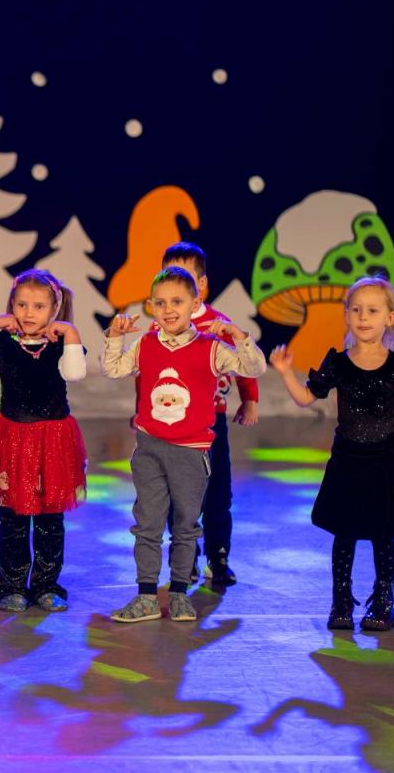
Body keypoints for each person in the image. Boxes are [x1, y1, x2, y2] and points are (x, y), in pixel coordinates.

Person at [270, 276, 394, 630]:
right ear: (346, 316)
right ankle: (341, 601)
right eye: (356, 310)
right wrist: (284, 373)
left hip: (384, 464)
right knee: (344, 535)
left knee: (382, 536)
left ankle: (383, 603)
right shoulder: (339, 363)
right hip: (347, 462)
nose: (363, 317)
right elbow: (306, 398)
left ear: (390, 317)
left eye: (372, 310)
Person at [102, 267, 266, 623]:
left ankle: (179, 592)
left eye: (177, 301)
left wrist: (238, 336)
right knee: (147, 524)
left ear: (195, 303)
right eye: (160, 303)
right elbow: (113, 369)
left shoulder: (211, 348)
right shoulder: (146, 343)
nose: (168, 309)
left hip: (191, 452)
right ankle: (147, 596)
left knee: (186, 525)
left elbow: (254, 368)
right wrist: (114, 337)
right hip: (149, 449)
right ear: (151, 306)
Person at [0, 269, 88, 612]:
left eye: (39, 306)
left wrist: (71, 331)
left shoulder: (62, 344)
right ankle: (12, 585)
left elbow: (75, 373)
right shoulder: (3, 343)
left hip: (52, 442)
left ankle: (46, 585)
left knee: (49, 520)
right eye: (22, 305)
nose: (29, 313)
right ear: (11, 305)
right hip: (13, 441)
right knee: (13, 519)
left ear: (54, 309)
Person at [157, 242, 260, 585]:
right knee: (179, 494)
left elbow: (243, 363)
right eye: (169, 277)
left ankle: (218, 556)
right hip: (173, 424)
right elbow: (148, 373)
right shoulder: (160, 327)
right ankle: (184, 557)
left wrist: (249, 400)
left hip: (211, 421)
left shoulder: (218, 323)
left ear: (201, 285)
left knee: (217, 491)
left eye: (185, 278)